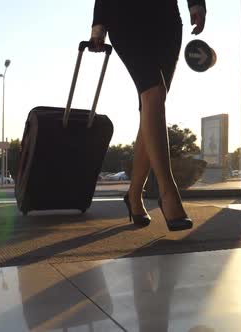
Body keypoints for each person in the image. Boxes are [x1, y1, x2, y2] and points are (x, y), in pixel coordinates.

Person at [90, 0, 206, 231]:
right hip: (125, 18)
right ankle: (168, 192)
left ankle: (134, 195)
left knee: (153, 103)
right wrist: (99, 25)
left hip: (166, 20)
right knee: (153, 92)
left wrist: (196, 4)